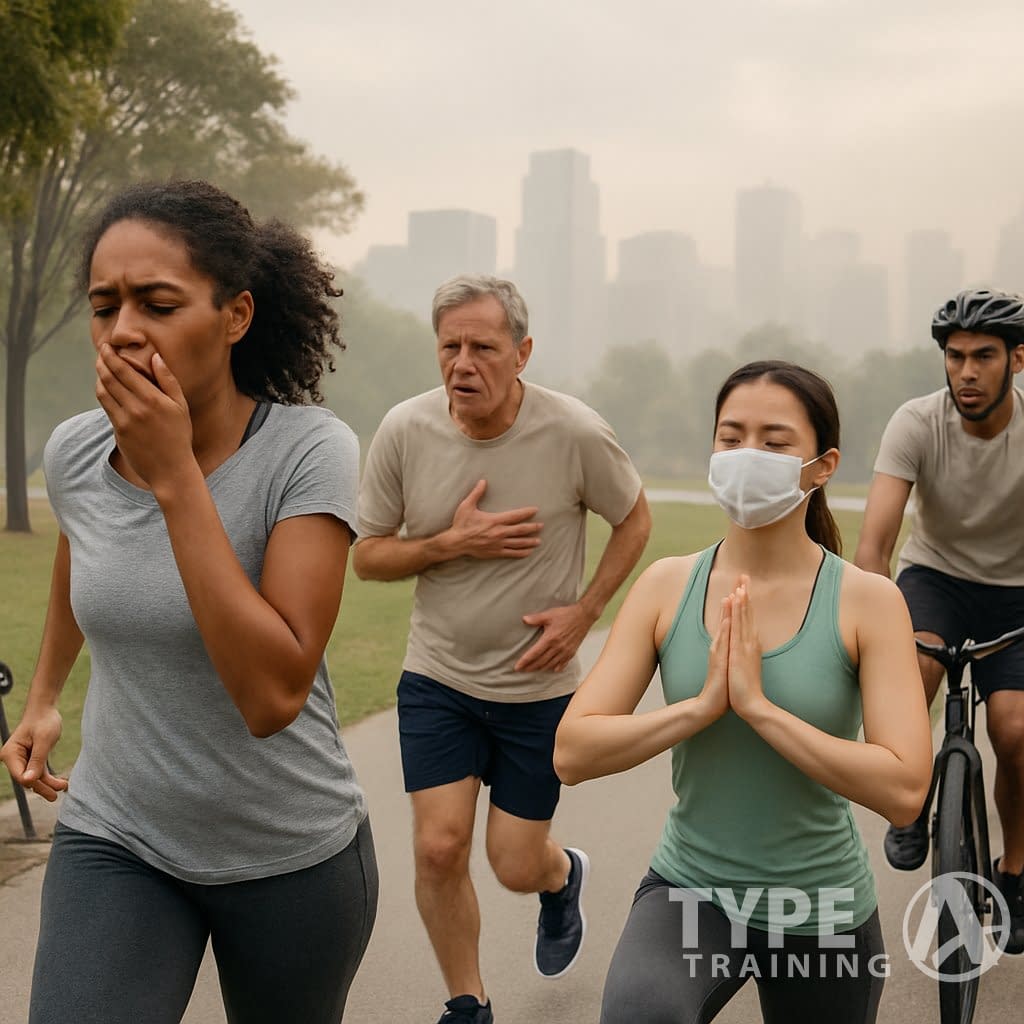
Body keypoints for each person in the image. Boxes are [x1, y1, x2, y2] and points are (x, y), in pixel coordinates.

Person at [0, 180, 377, 1024]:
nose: (124, 328)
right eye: (105, 307)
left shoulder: (307, 451)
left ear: (235, 315)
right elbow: (82, 552)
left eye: (157, 303)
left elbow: (273, 696)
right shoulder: (77, 450)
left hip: (289, 854)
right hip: (118, 835)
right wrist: (44, 696)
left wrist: (175, 476)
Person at [555, 360, 932, 1024]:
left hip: (819, 909)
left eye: (774, 440)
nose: (746, 455)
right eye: (731, 437)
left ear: (822, 466)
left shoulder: (868, 602)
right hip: (691, 894)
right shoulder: (667, 586)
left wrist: (759, 709)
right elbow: (573, 752)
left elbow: (904, 788)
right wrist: (698, 710)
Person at [353, 274, 650, 1024]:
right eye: (449, 346)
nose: (462, 363)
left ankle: (559, 879)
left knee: (514, 863)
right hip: (438, 679)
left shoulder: (574, 432)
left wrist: (585, 613)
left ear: (521, 353)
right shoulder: (405, 430)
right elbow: (368, 556)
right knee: (438, 849)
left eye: (482, 347)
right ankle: (468, 1003)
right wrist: (451, 541)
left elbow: (635, 519)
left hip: (534, 693)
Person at [854, 287, 1024, 952]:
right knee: (916, 665)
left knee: (1015, 731)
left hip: (1017, 590)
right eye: (954, 357)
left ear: (1018, 359)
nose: (967, 372)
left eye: (984, 356)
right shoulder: (917, 423)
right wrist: (876, 624)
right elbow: (874, 544)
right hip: (935, 579)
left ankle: (1015, 870)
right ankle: (913, 794)